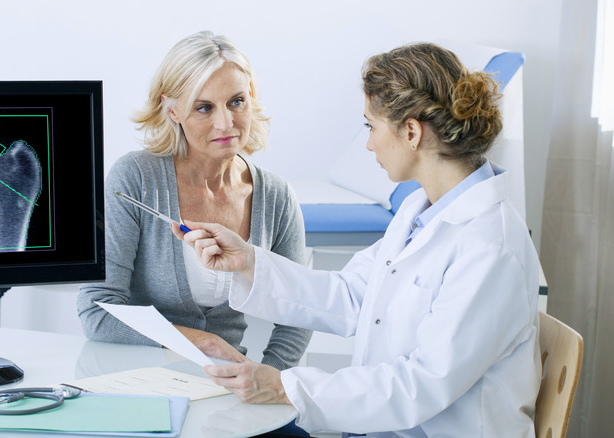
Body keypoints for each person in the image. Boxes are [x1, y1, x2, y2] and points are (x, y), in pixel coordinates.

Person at [176, 42, 541, 437]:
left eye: (372, 126)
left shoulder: (489, 246)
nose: (368, 143)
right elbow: (351, 295)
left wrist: (285, 387)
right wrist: (247, 261)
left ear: (412, 132)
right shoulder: (421, 210)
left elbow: (421, 385)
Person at [77, 31, 312, 373]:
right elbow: (97, 311)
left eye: (237, 102)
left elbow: (299, 311)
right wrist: (198, 341)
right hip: (139, 381)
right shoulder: (135, 178)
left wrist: (270, 378)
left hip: (229, 386)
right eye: (204, 108)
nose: (225, 123)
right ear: (172, 110)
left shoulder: (275, 195)